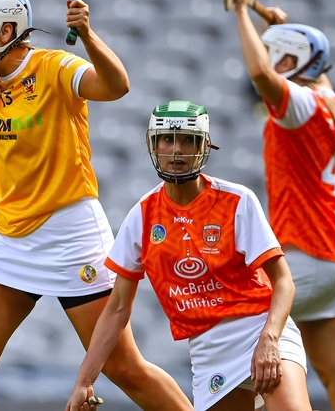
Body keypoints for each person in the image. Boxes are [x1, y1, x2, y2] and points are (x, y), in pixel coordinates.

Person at [0, 0, 192, 411]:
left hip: (71, 231)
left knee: (122, 368)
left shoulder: (55, 67)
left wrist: (89, 35)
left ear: (5, 30)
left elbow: (116, 86)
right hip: (10, 236)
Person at [65, 100, 311, 411]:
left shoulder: (238, 201)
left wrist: (271, 339)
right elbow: (116, 309)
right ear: (154, 145)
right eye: (167, 139)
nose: (177, 150)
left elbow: (284, 281)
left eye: (188, 140)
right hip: (210, 352)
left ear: (204, 146)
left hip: (261, 330)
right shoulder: (142, 216)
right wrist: (84, 382)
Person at [230, 0, 335, 411]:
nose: (273, 62)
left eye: (281, 56)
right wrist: (278, 30)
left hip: (304, 254)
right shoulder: (330, 101)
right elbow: (308, 61)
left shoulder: (301, 106)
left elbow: (259, 73)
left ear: (294, 64)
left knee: (245, 351)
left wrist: (239, 11)